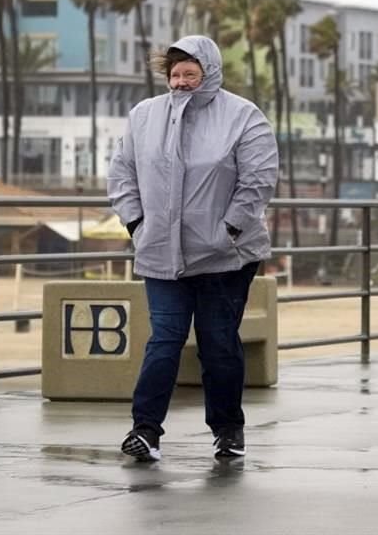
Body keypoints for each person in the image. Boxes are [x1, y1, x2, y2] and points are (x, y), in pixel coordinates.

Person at [108, 35, 279, 462]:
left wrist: (230, 229)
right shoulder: (144, 116)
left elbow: (258, 179)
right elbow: (122, 173)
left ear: (210, 73)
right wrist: (136, 223)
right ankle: (144, 430)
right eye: (175, 74)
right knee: (163, 339)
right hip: (160, 253)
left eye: (190, 73)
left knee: (217, 341)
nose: (181, 82)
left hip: (226, 256)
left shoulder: (243, 116)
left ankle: (227, 431)